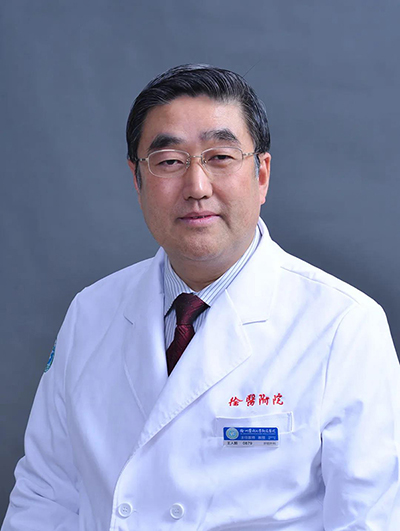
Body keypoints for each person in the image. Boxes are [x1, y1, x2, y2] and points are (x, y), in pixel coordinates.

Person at [2, 64, 400, 531]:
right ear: (137, 180)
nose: (196, 187)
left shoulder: (344, 325)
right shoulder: (91, 313)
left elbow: (371, 519)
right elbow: (45, 498)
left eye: (220, 157)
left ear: (262, 174)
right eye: (170, 161)